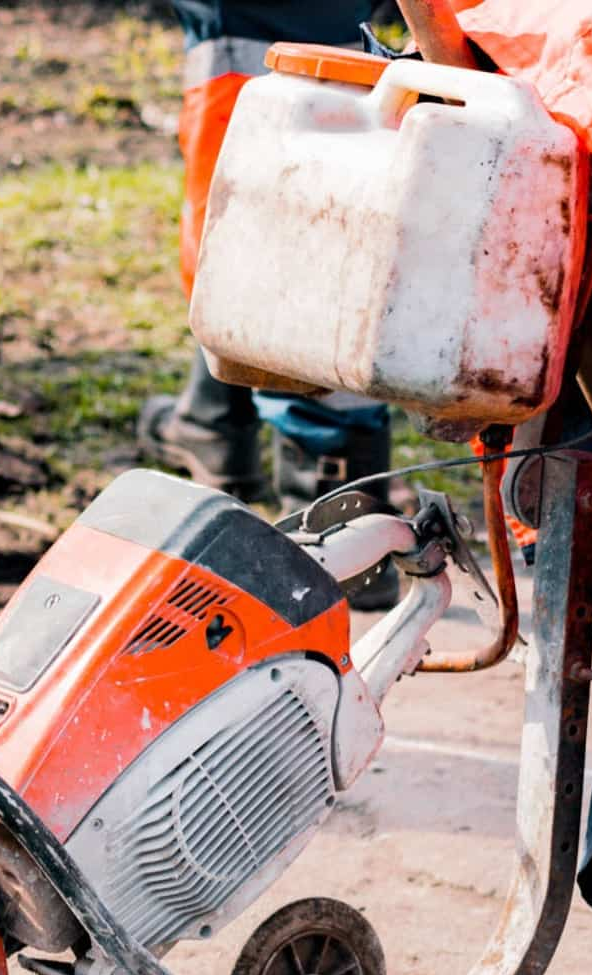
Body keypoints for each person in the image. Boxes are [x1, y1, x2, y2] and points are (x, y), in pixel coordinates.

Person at [138, 0, 402, 608]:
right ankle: (214, 422)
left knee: (275, 251)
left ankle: (335, 521)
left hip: (274, 39)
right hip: (286, 35)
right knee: (242, 244)